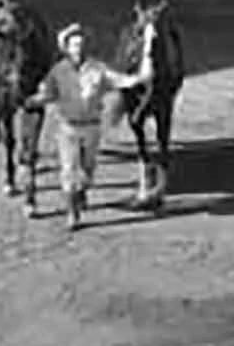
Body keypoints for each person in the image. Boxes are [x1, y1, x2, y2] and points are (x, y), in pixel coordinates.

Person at [26, 22, 155, 230]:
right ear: (67, 48)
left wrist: (146, 61)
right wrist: (32, 100)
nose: (79, 48)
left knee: (87, 172)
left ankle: (81, 190)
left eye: (82, 44)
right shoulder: (58, 71)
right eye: (75, 45)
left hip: (92, 128)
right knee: (68, 170)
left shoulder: (98, 69)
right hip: (68, 128)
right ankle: (72, 213)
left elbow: (126, 81)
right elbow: (49, 94)